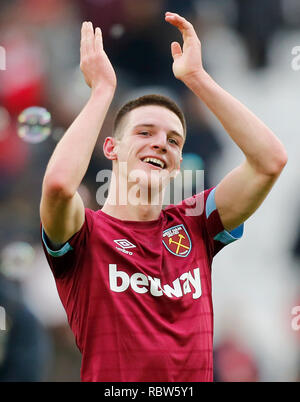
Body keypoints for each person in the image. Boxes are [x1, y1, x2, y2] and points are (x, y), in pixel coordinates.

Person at [39, 12, 287, 382]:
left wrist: (197, 79)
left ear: (175, 165)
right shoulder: (86, 232)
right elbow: (59, 186)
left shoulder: (196, 223)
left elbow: (270, 161)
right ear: (111, 147)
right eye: (144, 132)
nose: (161, 142)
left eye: (173, 140)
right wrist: (102, 92)